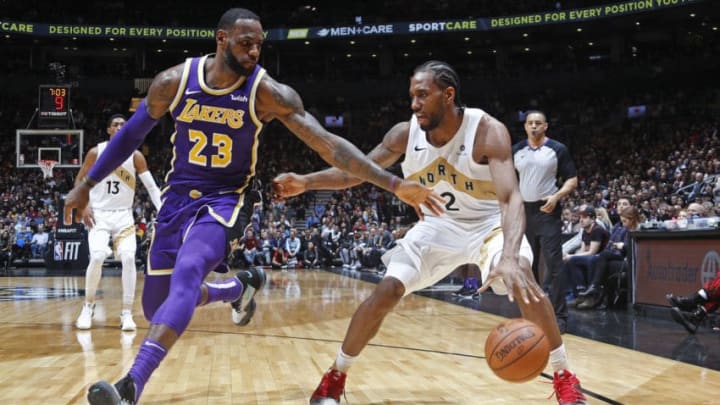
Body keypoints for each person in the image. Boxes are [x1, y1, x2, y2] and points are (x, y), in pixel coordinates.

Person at [63, 8, 442, 405]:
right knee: (156, 306)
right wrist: (85, 184)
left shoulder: (266, 92)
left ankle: (131, 386)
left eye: (260, 44)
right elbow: (128, 137)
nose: (255, 51)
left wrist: (393, 183)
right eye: (246, 43)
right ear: (221, 39)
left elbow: (328, 144)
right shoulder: (173, 82)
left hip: (227, 199)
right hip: (177, 200)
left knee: (189, 272)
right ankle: (237, 287)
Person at [273, 61, 588, 405]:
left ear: (448, 94)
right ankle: (335, 375)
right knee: (387, 291)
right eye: (412, 96)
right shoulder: (404, 134)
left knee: (522, 275)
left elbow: (511, 198)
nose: (414, 104)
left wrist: (510, 257)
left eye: (422, 95)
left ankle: (564, 376)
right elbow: (355, 171)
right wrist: (306, 182)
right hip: (439, 227)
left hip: (488, 225)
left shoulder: (486, 131)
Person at [74, 114, 163, 331]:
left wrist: (163, 210)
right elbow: (79, 180)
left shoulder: (136, 156)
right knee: (96, 257)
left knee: (129, 257)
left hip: (123, 215)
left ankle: (126, 313)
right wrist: (83, 205)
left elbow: (151, 188)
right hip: (99, 215)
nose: (120, 127)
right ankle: (88, 306)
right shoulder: (96, 152)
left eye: (123, 124)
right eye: (115, 124)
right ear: (108, 130)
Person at [512, 110, 578, 333]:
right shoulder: (517, 150)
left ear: (545, 126)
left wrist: (557, 196)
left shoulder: (557, 149)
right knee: (527, 264)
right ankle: (531, 314)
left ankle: (560, 316)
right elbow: (509, 180)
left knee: (554, 264)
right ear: (525, 126)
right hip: (524, 212)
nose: (533, 126)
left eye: (538, 123)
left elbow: (572, 178)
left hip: (547, 209)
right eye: (530, 123)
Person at [576, 205, 639, 310]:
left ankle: (595, 290)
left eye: (625, 221)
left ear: (632, 219)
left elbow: (636, 249)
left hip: (633, 263)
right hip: (624, 259)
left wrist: (623, 246)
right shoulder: (626, 230)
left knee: (603, 258)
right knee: (604, 262)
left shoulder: (639, 229)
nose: (623, 224)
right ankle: (597, 292)